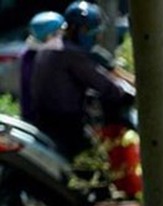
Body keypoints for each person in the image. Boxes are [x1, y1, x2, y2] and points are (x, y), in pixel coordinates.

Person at [29, 1, 132, 160]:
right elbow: (103, 84)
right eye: (95, 33)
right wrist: (123, 93)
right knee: (96, 166)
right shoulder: (71, 54)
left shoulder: (49, 46)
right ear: (83, 30)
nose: (98, 37)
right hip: (67, 127)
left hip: (43, 121)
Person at [19, 11, 66, 125]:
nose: (62, 37)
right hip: (43, 122)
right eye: (60, 33)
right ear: (48, 36)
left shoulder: (31, 53)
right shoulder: (38, 57)